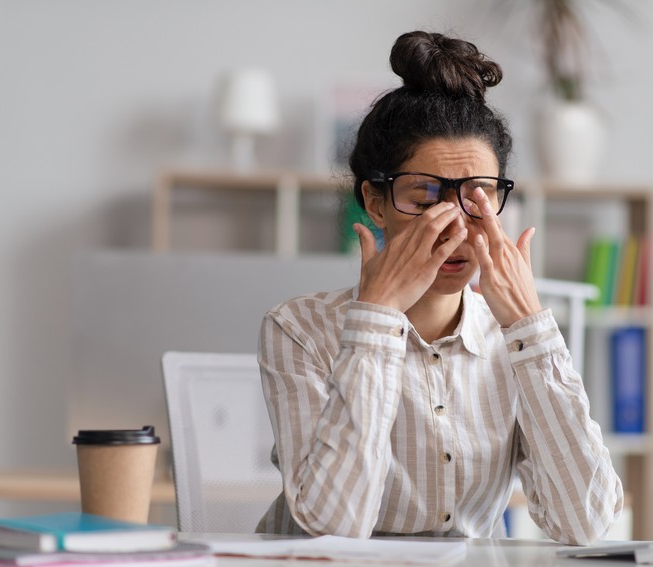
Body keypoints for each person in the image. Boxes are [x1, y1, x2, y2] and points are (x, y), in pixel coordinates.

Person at [256, 30, 623, 544]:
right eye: (425, 198)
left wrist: (531, 328)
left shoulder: (513, 341)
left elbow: (584, 525)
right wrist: (376, 321)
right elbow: (331, 530)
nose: (454, 228)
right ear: (375, 201)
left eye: (478, 197)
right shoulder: (299, 329)